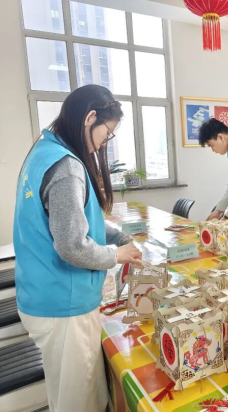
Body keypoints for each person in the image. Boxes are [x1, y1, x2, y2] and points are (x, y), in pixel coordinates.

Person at [13, 85, 143, 412]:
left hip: (41, 293)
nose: (103, 143)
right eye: (106, 134)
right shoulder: (67, 167)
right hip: (64, 304)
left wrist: (117, 237)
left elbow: (77, 221)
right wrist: (117, 255)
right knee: (79, 401)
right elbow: (72, 245)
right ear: (89, 118)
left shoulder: (43, 150)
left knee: (71, 392)